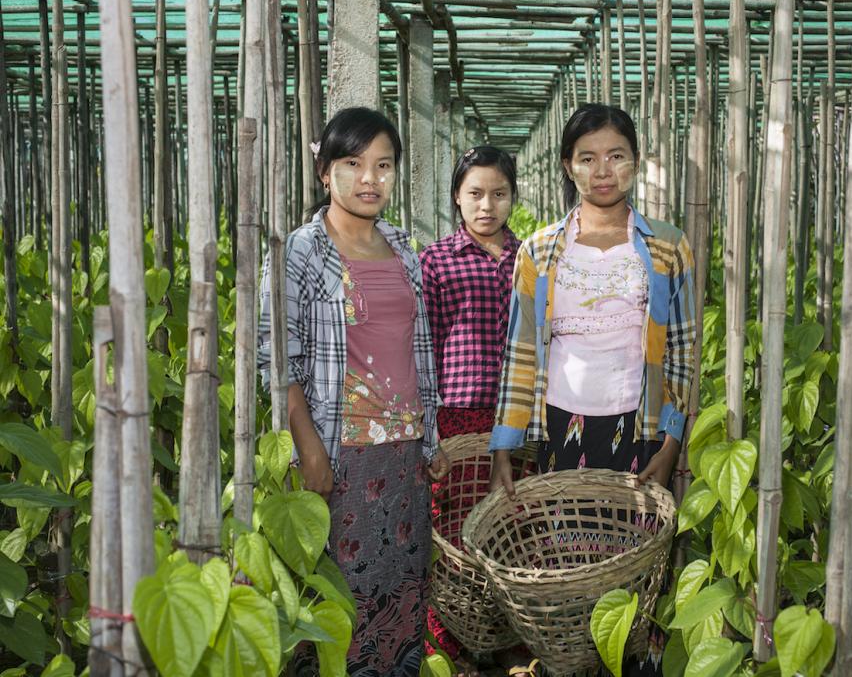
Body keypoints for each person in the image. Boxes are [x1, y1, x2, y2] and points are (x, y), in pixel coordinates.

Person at [487, 104, 697, 672]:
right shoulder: (538, 251)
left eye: (616, 156)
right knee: (567, 563)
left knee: (634, 568)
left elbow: (681, 353)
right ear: (567, 166)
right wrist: (504, 446)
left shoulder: (667, 248)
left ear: (635, 163)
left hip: (639, 431)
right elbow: (522, 352)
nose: (603, 171)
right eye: (587, 159)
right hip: (561, 430)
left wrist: (671, 443)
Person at [257, 106, 448, 676]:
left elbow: (418, 352)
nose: (370, 178)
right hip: (343, 456)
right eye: (353, 163)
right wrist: (308, 445)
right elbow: (274, 358)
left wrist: (430, 441)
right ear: (324, 173)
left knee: (400, 592)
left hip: (404, 453)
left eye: (383, 165)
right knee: (337, 598)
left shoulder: (402, 247)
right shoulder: (300, 252)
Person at [419, 146, 521, 669]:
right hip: (458, 411)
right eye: (475, 194)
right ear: (457, 198)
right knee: (456, 527)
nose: (487, 206)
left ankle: (513, 643)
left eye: (498, 194)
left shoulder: (529, 258)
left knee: (514, 525)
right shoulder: (435, 260)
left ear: (513, 198)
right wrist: (428, 420)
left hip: (519, 413)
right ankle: (450, 641)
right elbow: (426, 341)